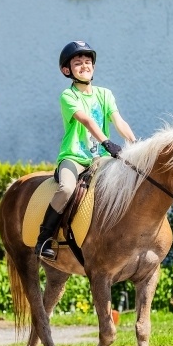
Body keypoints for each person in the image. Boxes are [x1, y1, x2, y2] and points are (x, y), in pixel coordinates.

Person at [35, 41, 137, 260]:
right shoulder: (68, 96)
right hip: (74, 157)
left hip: (100, 159)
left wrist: (134, 143)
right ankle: (44, 238)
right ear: (67, 71)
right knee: (66, 189)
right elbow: (87, 120)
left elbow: (119, 121)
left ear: (94, 66)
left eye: (88, 61)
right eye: (78, 63)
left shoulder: (105, 94)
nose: (84, 66)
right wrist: (107, 142)